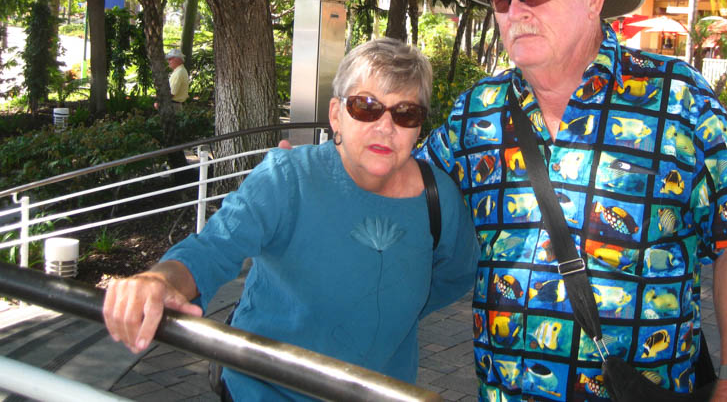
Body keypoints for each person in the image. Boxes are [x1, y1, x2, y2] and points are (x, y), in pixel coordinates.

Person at [416, 0, 727, 400]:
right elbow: (405, 187)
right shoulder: (478, 112)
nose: (516, 10)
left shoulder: (677, 97)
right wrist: (313, 170)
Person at [103, 38, 480, 401]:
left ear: (418, 126)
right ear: (336, 114)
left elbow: (455, 273)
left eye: (405, 113)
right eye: (366, 107)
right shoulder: (288, 178)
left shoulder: (438, 198)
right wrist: (159, 280)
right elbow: (214, 247)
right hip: (265, 388)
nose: (386, 126)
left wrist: (391, 310)